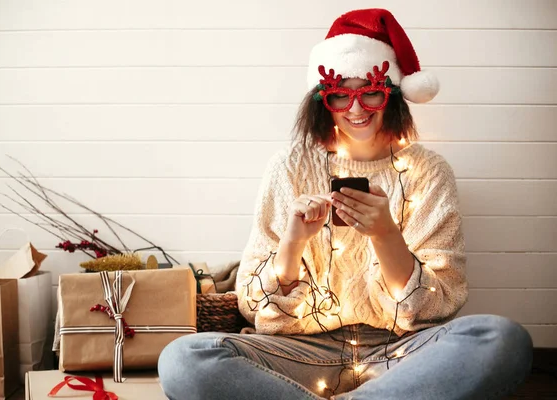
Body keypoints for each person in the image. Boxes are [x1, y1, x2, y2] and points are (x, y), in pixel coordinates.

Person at [158, 8, 532, 399]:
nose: (355, 109)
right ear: (323, 100)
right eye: (341, 95)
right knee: (184, 358)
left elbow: (440, 304)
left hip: (402, 351)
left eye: (370, 91)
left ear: (393, 95)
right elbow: (256, 310)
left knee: (501, 338)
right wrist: (294, 240)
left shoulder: (428, 171)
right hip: (303, 349)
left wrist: (386, 234)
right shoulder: (290, 167)